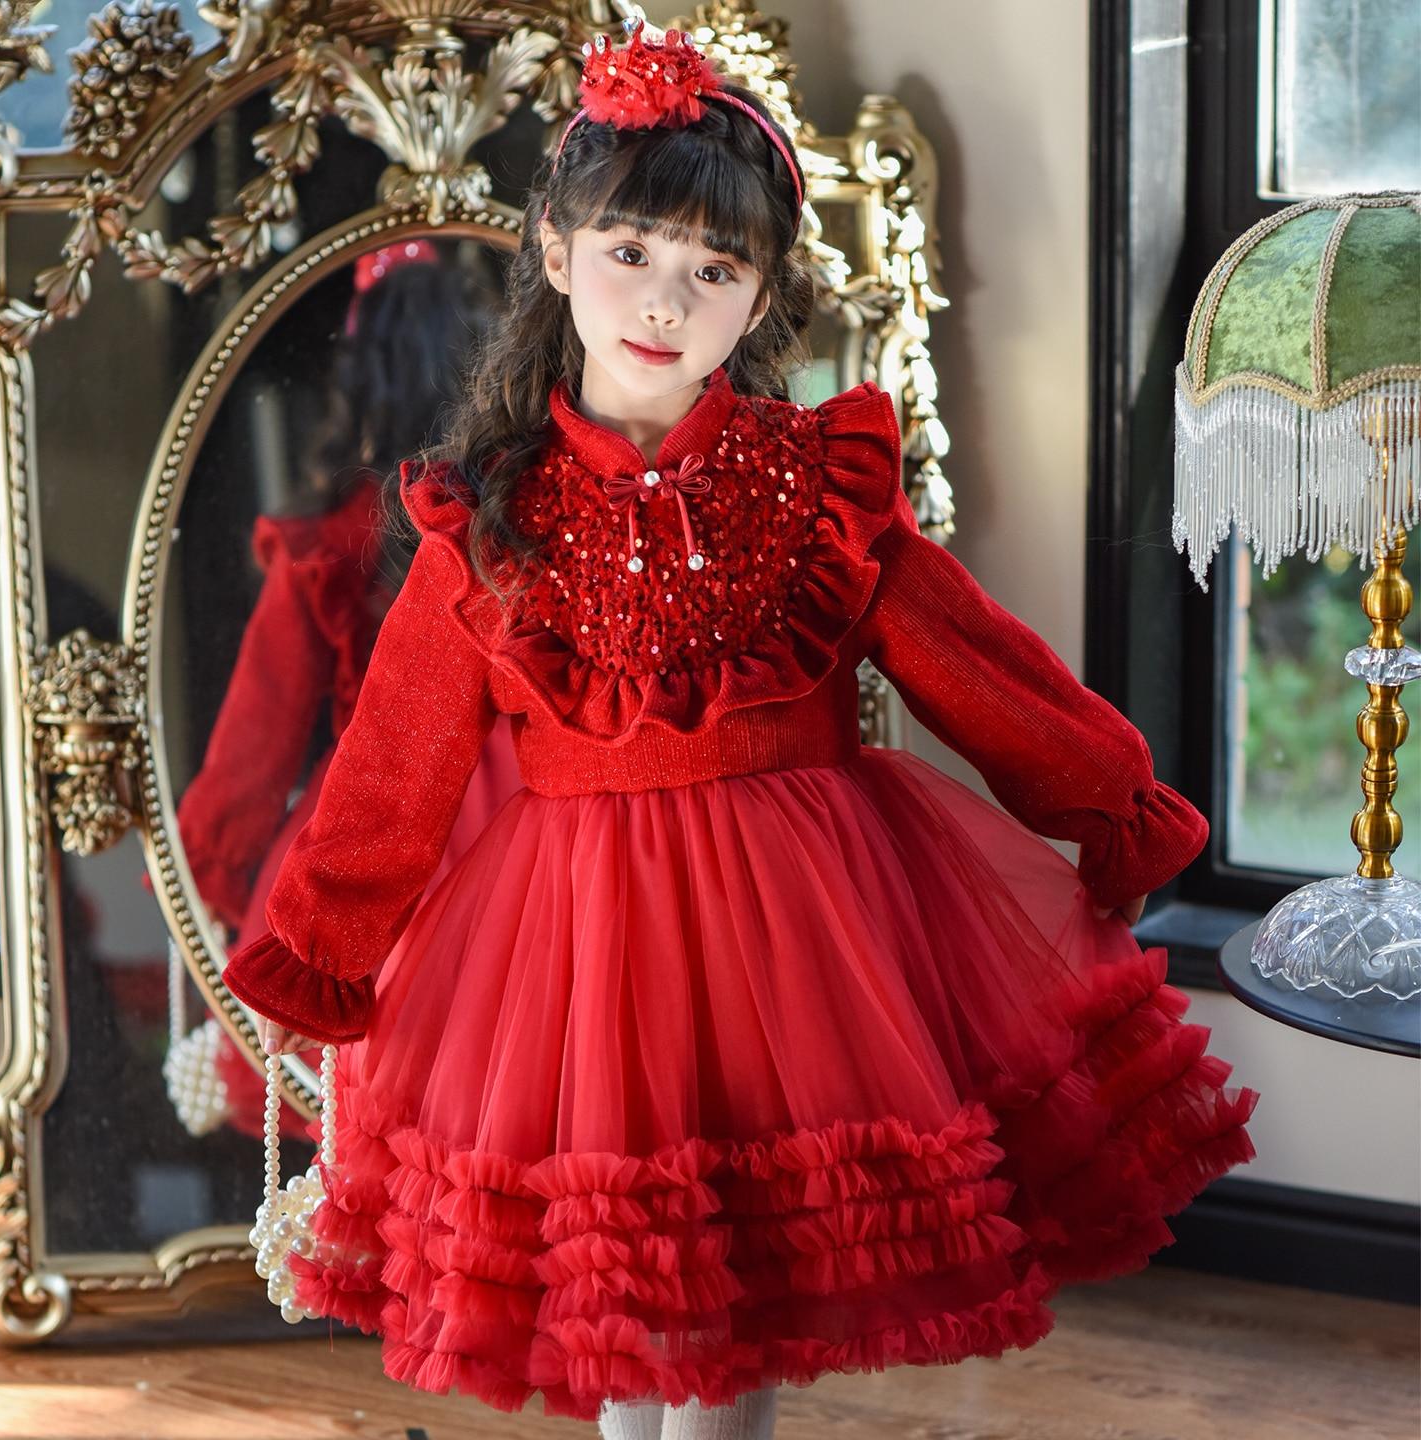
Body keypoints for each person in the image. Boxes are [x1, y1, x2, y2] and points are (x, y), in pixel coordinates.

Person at [220, 19, 1260, 1440]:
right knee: (625, 1282)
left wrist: (1107, 804)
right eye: (631, 251)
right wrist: (320, 952)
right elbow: (395, 766)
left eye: (715, 270)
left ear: (762, 295)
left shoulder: (814, 483)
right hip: (577, 947)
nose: (666, 300)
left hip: (801, 927)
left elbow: (975, 664)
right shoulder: (490, 515)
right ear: (554, 248)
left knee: (745, 1288)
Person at [173, 239, 522, 1140]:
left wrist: (210, 874)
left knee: (367, 1135)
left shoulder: (323, 548)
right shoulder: (519, 528)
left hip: (367, 843)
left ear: (356, 377)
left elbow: (252, 753)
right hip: (519, 835)